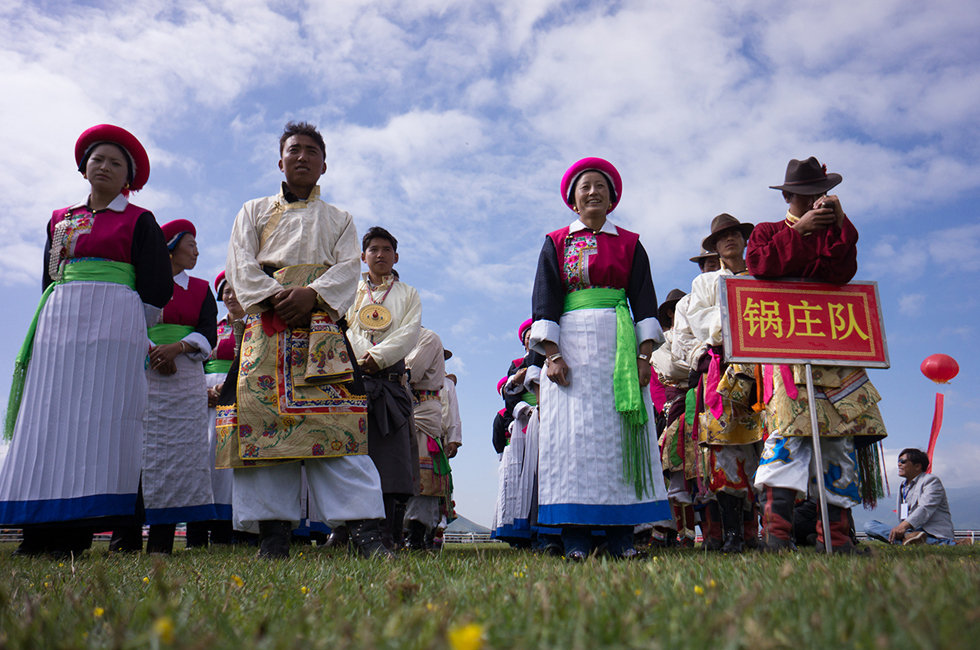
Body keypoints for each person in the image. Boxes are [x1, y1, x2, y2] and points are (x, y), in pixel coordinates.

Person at [0, 124, 172, 557]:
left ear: (128, 177)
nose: (105, 167)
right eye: (98, 159)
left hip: (114, 326)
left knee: (98, 423)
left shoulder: (139, 220)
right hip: (59, 325)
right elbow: (49, 276)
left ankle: (77, 532)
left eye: (116, 163)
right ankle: (37, 531)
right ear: (83, 167)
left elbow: (156, 286)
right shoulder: (61, 219)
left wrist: (136, 331)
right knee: (49, 421)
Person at [224, 121, 390, 559]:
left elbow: (347, 269)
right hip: (266, 331)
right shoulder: (253, 211)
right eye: (294, 149)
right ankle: (273, 535)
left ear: (324, 164)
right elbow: (241, 266)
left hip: (320, 334)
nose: (302, 156)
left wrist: (312, 294)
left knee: (339, 426)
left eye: (311, 151)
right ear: (280, 160)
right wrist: (278, 297)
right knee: (264, 428)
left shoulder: (340, 219)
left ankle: (366, 530)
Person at [529, 157, 669, 560]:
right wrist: (551, 354)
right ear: (573, 200)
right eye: (585, 187)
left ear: (612, 199)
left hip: (618, 349)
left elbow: (644, 299)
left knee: (617, 437)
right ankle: (575, 539)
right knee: (574, 439)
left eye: (600, 187)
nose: (593, 192)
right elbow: (545, 298)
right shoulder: (556, 242)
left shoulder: (629, 243)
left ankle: (621, 538)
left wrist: (644, 356)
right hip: (570, 345)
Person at [749, 156, 887, 553]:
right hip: (789, 352)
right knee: (787, 439)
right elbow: (759, 265)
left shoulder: (835, 231)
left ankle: (837, 538)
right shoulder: (767, 231)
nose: (815, 202)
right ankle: (776, 536)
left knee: (838, 441)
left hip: (832, 348)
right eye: (807, 195)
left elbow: (840, 273)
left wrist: (840, 225)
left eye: (821, 195)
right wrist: (801, 233)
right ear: (789, 195)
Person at [113, 219, 218, 554]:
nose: (197, 252)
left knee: (179, 453)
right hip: (142, 370)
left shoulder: (201, 289)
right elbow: (130, 321)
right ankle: (123, 539)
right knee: (134, 452)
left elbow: (208, 332)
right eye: (191, 245)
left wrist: (177, 348)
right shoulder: (140, 284)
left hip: (184, 377)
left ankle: (162, 540)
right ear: (170, 246)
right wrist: (154, 351)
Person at [684, 214, 765, 553]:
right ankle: (731, 532)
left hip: (763, 365)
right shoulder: (705, 283)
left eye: (734, 234)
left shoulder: (762, 274)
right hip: (725, 367)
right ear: (715, 247)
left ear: (744, 239)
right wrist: (737, 317)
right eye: (722, 237)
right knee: (727, 449)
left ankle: (758, 531)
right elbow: (701, 320)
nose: (729, 240)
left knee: (764, 447)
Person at [342, 226, 421, 550]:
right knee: (353, 456)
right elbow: (345, 325)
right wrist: (365, 356)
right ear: (363, 256)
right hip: (356, 380)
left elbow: (409, 332)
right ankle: (351, 531)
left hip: (390, 382)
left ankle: (389, 533)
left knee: (394, 460)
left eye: (386, 249)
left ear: (396, 256)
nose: (380, 254)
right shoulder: (350, 291)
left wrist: (379, 356)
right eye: (373, 249)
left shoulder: (409, 294)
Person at [186, 271, 242, 547]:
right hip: (205, 397)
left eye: (236, 290)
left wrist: (227, 389)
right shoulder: (214, 328)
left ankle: (225, 532)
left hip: (237, 398)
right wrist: (203, 390)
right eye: (226, 291)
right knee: (203, 461)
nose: (231, 297)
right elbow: (196, 361)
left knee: (228, 465)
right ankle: (196, 533)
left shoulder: (253, 328)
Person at [404, 326, 450, 549]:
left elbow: (412, 371)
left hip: (422, 411)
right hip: (403, 408)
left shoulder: (428, 338)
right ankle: (399, 533)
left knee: (422, 476)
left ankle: (417, 535)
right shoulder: (399, 337)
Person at [865, 448, 955, 545]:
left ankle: (943, 543)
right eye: (898, 461)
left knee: (903, 534)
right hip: (911, 531)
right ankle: (910, 538)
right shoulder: (903, 486)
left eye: (902, 461)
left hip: (932, 532)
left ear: (917, 466)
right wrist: (902, 530)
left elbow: (925, 508)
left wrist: (903, 526)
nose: (899, 464)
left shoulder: (931, 481)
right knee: (869, 526)